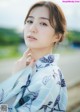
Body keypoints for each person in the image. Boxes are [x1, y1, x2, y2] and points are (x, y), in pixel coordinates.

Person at [0, 1, 68, 112]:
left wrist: (16, 79)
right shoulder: (27, 68)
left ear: (57, 36)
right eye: (29, 21)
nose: (32, 28)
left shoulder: (50, 78)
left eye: (43, 23)